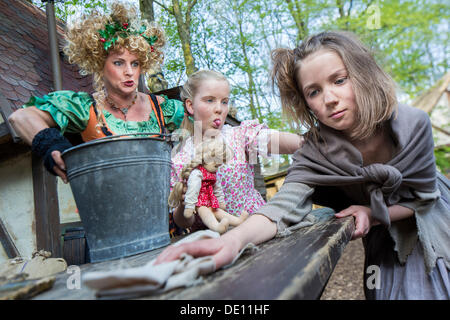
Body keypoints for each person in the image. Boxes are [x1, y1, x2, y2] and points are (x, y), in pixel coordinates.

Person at [156, 31, 450, 300]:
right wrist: (233, 241)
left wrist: (372, 211)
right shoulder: (314, 152)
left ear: (362, 75)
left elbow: (425, 199)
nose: (330, 99)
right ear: (305, 102)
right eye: (314, 92)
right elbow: (282, 206)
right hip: (380, 234)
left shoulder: (413, 124)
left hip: (431, 219)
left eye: (339, 80)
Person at [8, 2, 184, 183]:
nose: (129, 71)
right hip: (104, 203)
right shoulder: (85, 107)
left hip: (158, 204)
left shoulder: (162, 108)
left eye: (135, 63)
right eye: (118, 63)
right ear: (100, 65)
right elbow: (20, 117)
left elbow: (205, 122)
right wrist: (51, 145)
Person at [169, 69, 304, 236]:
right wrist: (184, 203)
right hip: (214, 239)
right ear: (190, 105)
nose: (219, 109)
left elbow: (270, 140)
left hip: (258, 228)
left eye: (224, 102)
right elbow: (183, 221)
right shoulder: (180, 158)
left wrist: (308, 142)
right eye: (210, 100)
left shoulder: (238, 136)